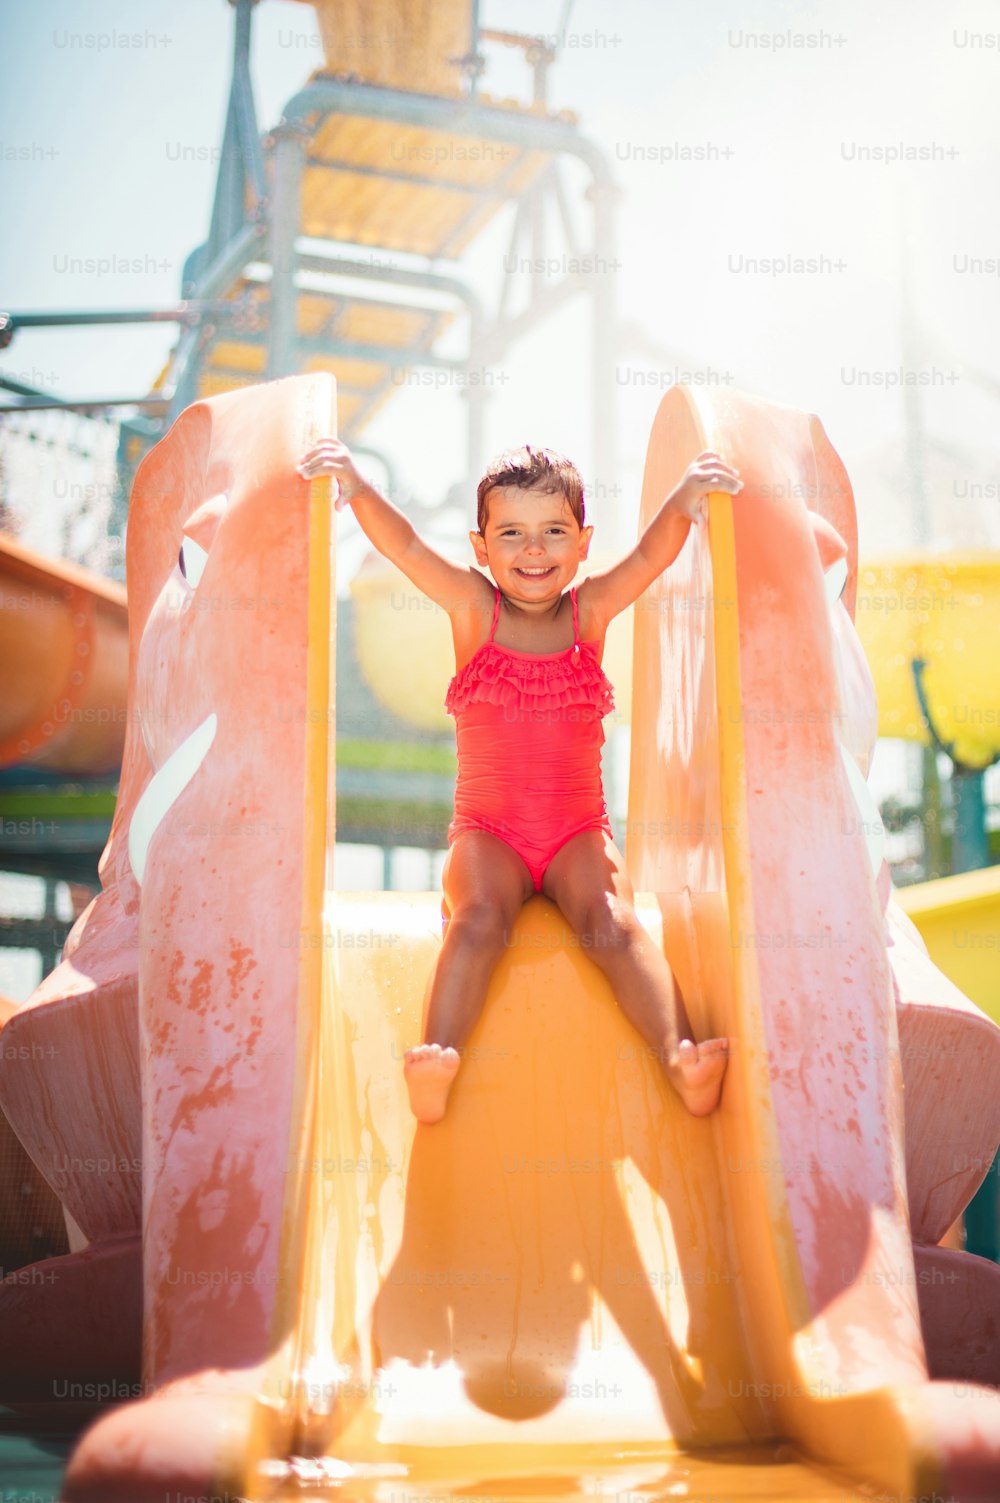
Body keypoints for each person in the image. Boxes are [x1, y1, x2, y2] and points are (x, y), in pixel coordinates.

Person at [298, 438, 742, 1124]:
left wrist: (683, 498)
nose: (534, 551)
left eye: (553, 531)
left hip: (575, 833)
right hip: (489, 833)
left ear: (583, 540)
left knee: (613, 922)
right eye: (512, 534)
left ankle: (679, 1056)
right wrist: (356, 486)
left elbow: (651, 558)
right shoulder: (476, 612)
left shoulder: (587, 613)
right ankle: (436, 1058)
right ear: (481, 547)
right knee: (477, 921)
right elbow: (409, 548)